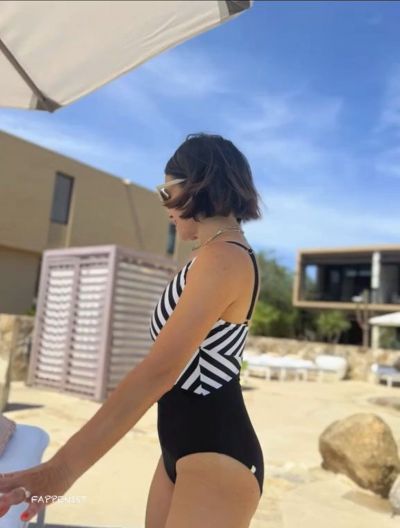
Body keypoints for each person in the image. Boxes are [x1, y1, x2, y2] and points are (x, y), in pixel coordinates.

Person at [0, 133, 265, 528]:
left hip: (218, 455)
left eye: (166, 192)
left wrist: (60, 470)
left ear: (198, 184)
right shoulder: (214, 255)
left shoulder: (225, 257)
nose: (165, 206)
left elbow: (159, 372)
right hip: (184, 448)